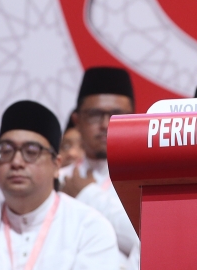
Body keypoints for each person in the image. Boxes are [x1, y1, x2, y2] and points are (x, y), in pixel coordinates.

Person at [0, 100, 119, 269]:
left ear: (56, 165)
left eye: (31, 152)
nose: (17, 162)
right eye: (6, 151)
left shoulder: (89, 229)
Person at [59, 67, 140, 268]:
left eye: (116, 114)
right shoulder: (58, 180)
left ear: (133, 117)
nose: (105, 124)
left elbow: (147, 238)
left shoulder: (145, 179)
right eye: (95, 115)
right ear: (77, 121)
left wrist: (87, 195)